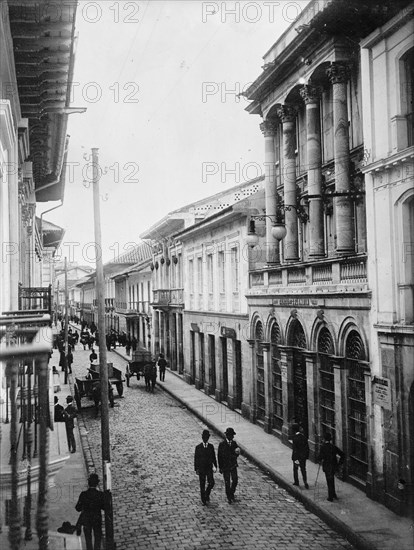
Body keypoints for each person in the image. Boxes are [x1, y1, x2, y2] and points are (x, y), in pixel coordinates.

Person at [75, 473, 105, 550]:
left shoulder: (83, 494)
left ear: (88, 483)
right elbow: (104, 507)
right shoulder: (100, 495)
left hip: (87, 520)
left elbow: (78, 508)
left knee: (88, 539)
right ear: (97, 484)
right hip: (97, 519)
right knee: (98, 538)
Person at [317, 432, 345, 502]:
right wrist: (339, 463)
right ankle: (334, 494)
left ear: (324, 439)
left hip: (327, 466)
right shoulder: (333, 447)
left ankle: (330, 497)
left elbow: (320, 456)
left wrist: (319, 460)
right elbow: (342, 454)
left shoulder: (323, 447)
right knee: (331, 479)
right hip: (333, 465)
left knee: (329, 480)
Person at [194, 429, 217, 505]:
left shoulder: (211, 446)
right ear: (202, 437)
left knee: (211, 483)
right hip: (202, 468)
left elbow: (213, 457)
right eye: (204, 437)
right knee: (202, 484)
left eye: (207, 437)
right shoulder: (198, 447)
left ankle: (207, 494)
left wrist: (215, 466)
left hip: (209, 468)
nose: (205, 439)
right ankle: (203, 499)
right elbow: (196, 458)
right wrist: (196, 468)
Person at [218, 427, 240, 504]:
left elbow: (237, 454)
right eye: (231, 435)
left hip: (233, 465)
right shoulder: (222, 444)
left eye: (233, 435)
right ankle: (229, 497)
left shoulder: (234, 444)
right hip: (225, 466)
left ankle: (231, 492)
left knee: (235, 480)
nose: (233, 437)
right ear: (227, 436)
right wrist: (220, 467)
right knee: (227, 482)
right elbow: (219, 457)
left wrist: (237, 453)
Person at [290, 423, 309, 489]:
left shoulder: (294, 438)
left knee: (295, 469)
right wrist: (306, 456)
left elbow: (295, 449)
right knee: (303, 469)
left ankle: (296, 481)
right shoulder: (303, 437)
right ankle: (305, 482)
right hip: (303, 457)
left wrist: (295, 458)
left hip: (297, 458)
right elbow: (307, 448)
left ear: (294, 430)